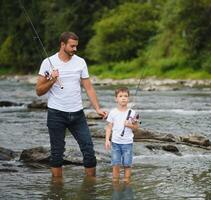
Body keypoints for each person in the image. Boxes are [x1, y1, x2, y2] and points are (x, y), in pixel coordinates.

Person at [36, 31, 107, 177]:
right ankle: (57, 189)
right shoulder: (47, 62)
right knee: (56, 153)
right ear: (63, 45)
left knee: (88, 150)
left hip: (77, 114)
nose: (75, 49)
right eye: (72, 46)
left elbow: (88, 87)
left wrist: (97, 108)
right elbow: (39, 91)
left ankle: (90, 187)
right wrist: (52, 80)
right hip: (56, 114)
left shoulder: (80, 62)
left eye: (76, 46)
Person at [105, 87, 139, 183]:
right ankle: (115, 182)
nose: (123, 98)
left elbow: (136, 127)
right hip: (115, 143)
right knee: (116, 164)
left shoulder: (132, 113)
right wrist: (107, 140)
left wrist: (130, 125)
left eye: (125, 96)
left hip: (128, 143)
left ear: (128, 98)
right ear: (116, 99)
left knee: (127, 164)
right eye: (120, 96)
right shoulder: (113, 112)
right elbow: (109, 127)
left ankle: (127, 182)